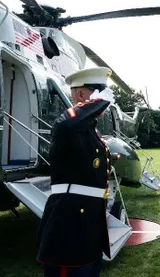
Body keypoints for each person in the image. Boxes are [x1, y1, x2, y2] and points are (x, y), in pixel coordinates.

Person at [36, 67, 115, 277]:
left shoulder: (89, 129)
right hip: (70, 225)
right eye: (98, 91)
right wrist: (99, 102)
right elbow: (70, 122)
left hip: (89, 223)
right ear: (81, 94)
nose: (105, 99)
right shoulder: (66, 124)